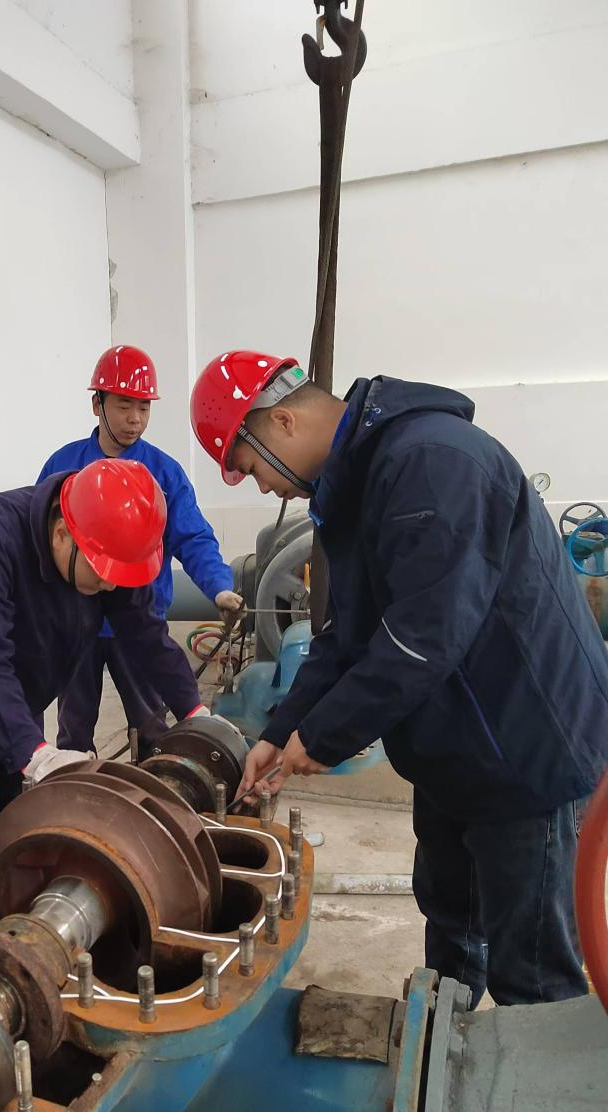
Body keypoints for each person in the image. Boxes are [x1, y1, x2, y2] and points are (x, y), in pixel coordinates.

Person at [190, 349, 608, 1006]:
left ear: (281, 423)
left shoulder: (433, 463)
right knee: (452, 930)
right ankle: (443, 1052)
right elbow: (346, 635)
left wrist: (322, 738)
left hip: (525, 753)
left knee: (530, 975)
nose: (264, 489)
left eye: (250, 468)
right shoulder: (359, 482)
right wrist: (279, 730)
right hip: (456, 748)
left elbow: (422, 637)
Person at [0, 458, 207, 823]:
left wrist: (195, 712)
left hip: (17, 694)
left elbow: (145, 633)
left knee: (17, 818)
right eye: (102, 573)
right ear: (62, 533)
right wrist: (37, 755)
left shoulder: (107, 546)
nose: (110, 586)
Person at [38, 345, 242, 757]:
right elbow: (42, 543)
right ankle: (75, 787)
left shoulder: (163, 473)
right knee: (73, 731)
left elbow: (193, 537)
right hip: (75, 621)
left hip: (139, 620)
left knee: (152, 730)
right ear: (97, 404)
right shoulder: (63, 467)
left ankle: (151, 788)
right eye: (124, 405)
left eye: (144, 407)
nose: (135, 419)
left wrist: (219, 587)